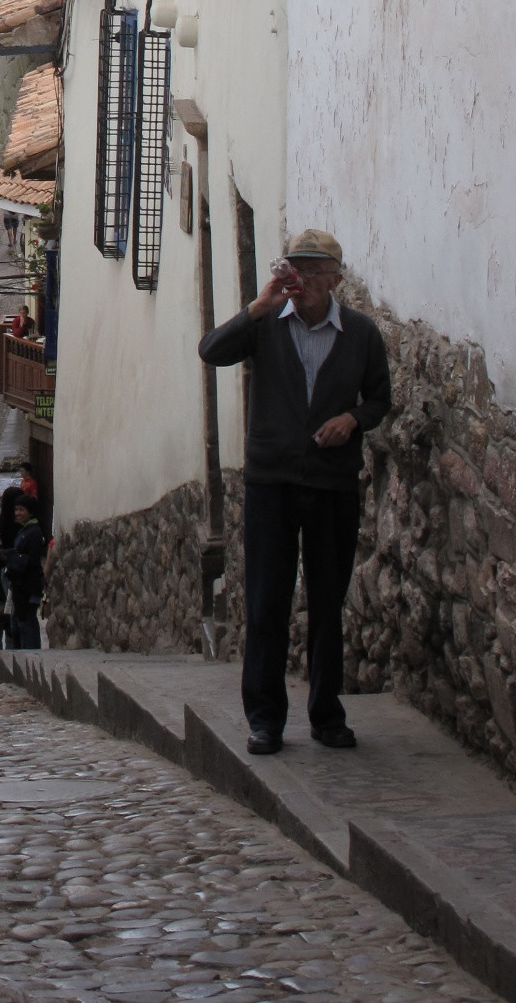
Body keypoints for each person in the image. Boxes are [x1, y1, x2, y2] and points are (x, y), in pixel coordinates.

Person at [200, 228, 390, 756]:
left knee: (329, 602)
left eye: (311, 270)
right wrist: (256, 306)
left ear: (333, 279)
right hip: (271, 484)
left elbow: (379, 399)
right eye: (294, 268)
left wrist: (351, 419)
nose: (300, 280)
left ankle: (327, 715)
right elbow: (211, 351)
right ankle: (265, 719)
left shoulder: (361, 334)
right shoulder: (266, 328)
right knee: (267, 603)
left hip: (332, 484)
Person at [2, 494, 47, 649]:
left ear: (30, 512)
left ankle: (31, 653)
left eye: (21, 510)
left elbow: (32, 561)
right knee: (19, 621)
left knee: (27, 621)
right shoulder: (25, 530)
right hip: (19, 584)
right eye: (16, 509)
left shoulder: (33, 532)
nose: (18, 513)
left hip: (27, 585)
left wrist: (13, 560)